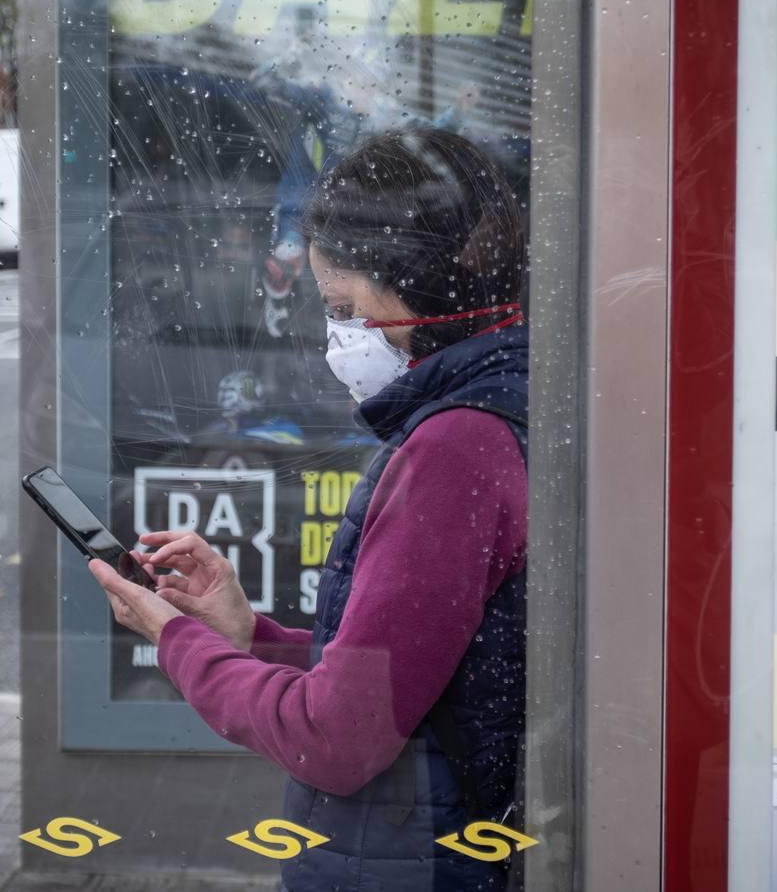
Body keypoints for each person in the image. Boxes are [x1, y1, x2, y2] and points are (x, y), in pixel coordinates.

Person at [89, 126, 529, 892]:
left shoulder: (455, 448)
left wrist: (178, 643)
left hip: (410, 861)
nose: (338, 340)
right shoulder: (498, 409)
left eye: (344, 307)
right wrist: (244, 634)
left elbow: (340, 738)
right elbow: (410, 678)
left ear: (417, 285)